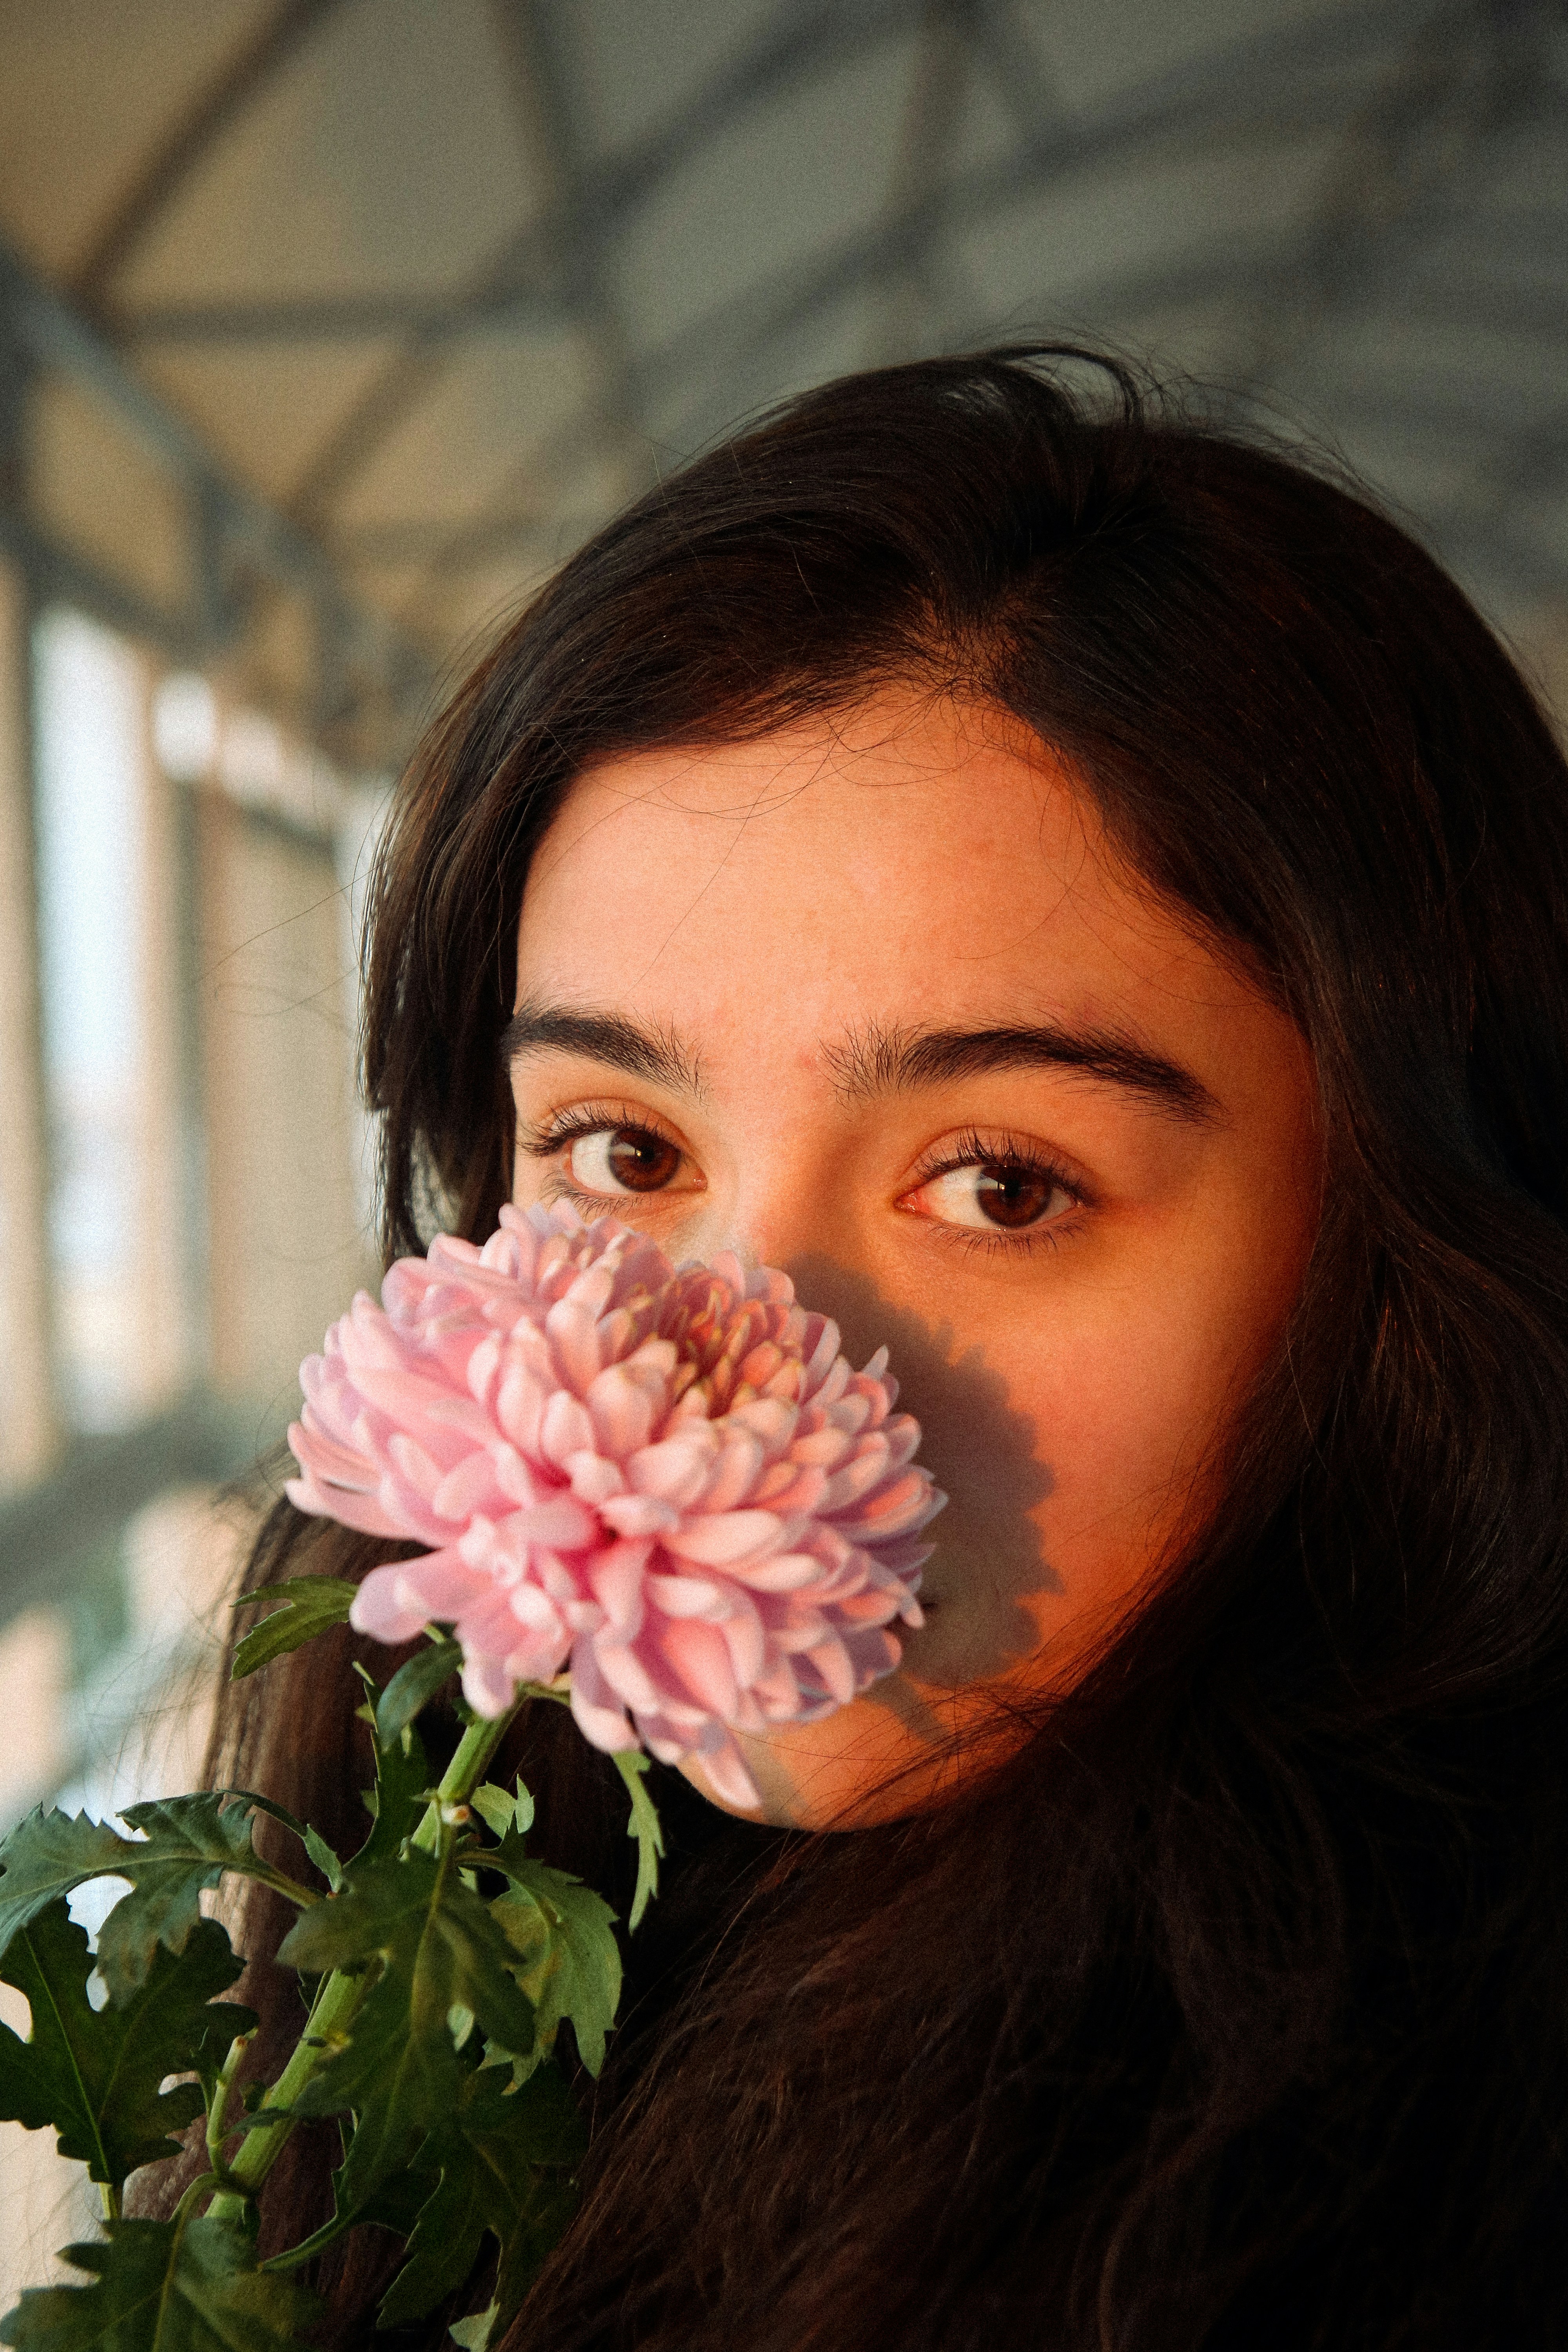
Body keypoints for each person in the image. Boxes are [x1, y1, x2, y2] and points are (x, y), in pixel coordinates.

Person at [177, 349, 1568, 2347]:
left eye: (1000, 1182)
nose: (737, 1362)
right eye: (623, 1148)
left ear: (1396, 1257)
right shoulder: (402, 1888)